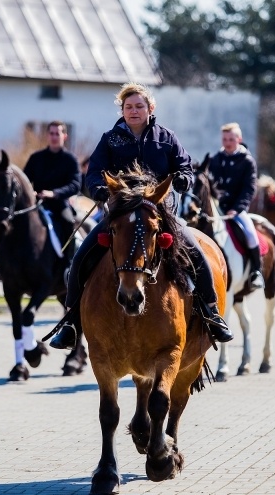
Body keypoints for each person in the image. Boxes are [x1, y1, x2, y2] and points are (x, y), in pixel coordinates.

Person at [48, 83, 233, 350]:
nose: (133, 111)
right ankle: (70, 323)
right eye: (128, 107)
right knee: (80, 258)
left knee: (197, 253)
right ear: (122, 110)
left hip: (158, 214)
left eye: (139, 106)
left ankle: (212, 314)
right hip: (120, 215)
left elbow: (185, 166)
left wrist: (183, 177)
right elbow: (93, 171)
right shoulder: (110, 139)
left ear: (150, 108)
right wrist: (98, 188)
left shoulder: (166, 137)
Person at [208, 122, 264, 289]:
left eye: (231, 139)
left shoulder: (247, 161)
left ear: (239, 139)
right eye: (224, 139)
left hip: (236, 209)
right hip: (217, 209)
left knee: (250, 234)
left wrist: (238, 208)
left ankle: (256, 271)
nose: (227, 142)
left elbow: (249, 188)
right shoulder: (215, 160)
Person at [23, 120, 82, 256]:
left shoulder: (70, 159)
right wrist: (29, 192)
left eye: (58, 133)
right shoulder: (36, 158)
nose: (54, 137)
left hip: (59, 205)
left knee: (68, 223)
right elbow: (25, 180)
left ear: (64, 136)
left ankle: (68, 264)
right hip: (36, 203)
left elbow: (75, 185)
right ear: (47, 135)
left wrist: (54, 193)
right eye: (51, 133)